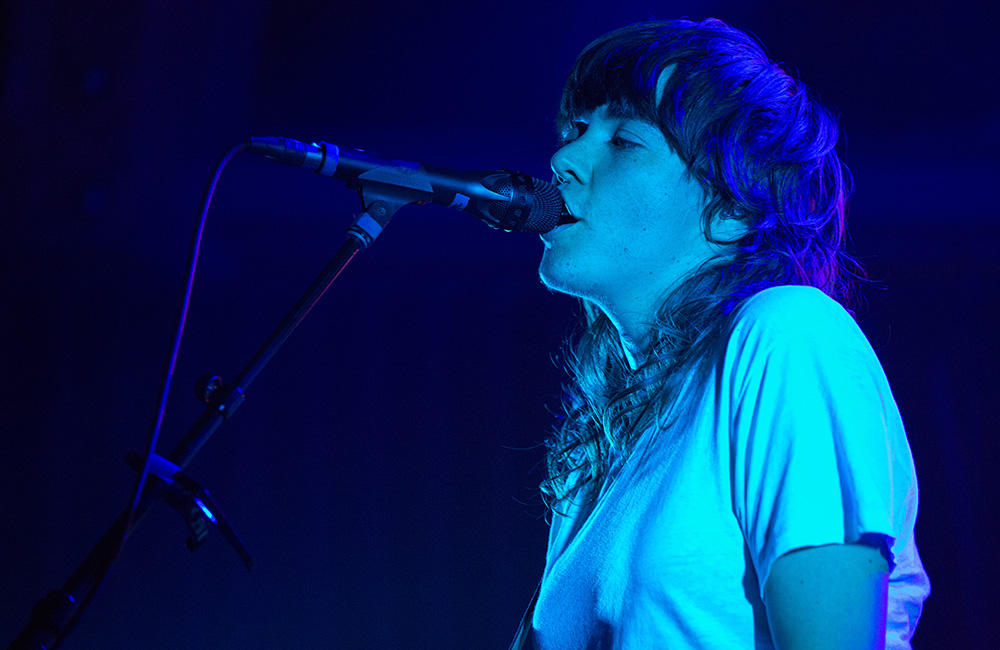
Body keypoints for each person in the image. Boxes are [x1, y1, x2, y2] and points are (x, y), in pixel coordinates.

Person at [528, 18, 930, 650]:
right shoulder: (597, 455)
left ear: (732, 205)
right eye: (574, 131)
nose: (563, 159)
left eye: (624, 140)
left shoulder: (788, 334)